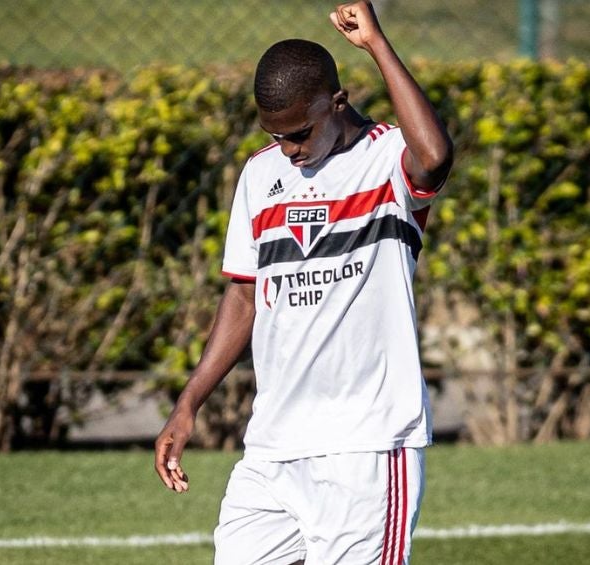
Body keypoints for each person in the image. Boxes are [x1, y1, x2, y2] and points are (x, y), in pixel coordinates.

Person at [154, 1, 453, 563]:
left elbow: (435, 156)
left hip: (366, 447)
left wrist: (376, 45)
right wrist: (189, 401)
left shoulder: (387, 159)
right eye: (275, 134)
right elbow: (244, 295)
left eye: (299, 132)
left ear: (337, 102)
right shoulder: (261, 173)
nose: (289, 149)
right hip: (272, 447)